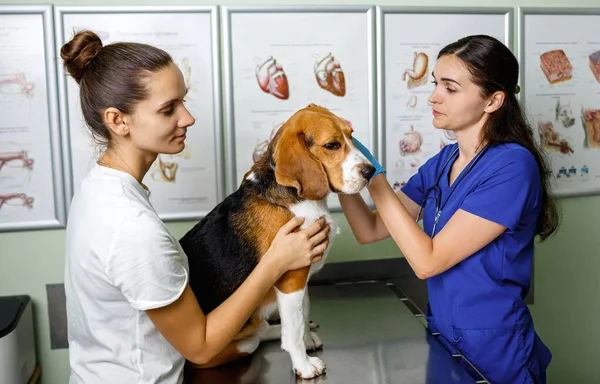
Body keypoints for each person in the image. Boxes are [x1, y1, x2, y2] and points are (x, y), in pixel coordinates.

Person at [61, 30, 330, 384]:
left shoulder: (98, 189)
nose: (187, 118)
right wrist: (276, 261)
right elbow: (200, 348)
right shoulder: (131, 227)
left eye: (183, 102)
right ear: (117, 120)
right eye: (168, 109)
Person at [341, 34, 560, 384]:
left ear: (493, 100)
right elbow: (369, 230)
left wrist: (374, 175)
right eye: (435, 84)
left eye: (450, 88)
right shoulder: (443, 161)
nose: (433, 97)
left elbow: (427, 262)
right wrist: (341, 169)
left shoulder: (513, 167)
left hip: (495, 349)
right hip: (444, 338)